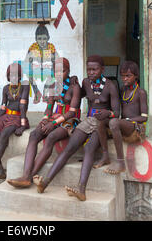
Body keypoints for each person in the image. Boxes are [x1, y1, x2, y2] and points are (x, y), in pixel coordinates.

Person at [33, 55, 120, 200]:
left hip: (102, 123)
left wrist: (108, 113)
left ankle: (81, 190)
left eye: (95, 69)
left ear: (102, 69)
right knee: (70, 148)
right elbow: (76, 93)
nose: (91, 72)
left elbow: (117, 113)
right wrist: (73, 80)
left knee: (89, 148)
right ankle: (45, 183)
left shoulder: (111, 86)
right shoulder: (86, 82)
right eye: (89, 69)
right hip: (87, 121)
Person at [7, 57, 81, 189]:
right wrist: (45, 119)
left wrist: (53, 123)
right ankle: (25, 175)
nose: (58, 74)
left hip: (70, 120)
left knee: (51, 137)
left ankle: (27, 178)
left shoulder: (75, 87)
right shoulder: (53, 85)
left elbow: (72, 112)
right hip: (55, 117)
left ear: (68, 71)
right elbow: (49, 107)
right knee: (34, 135)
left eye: (62, 71)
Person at [0, 63, 30, 184]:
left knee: (4, 135)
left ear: (20, 76)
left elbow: (23, 106)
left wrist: (23, 126)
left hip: (17, 117)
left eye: (16, 75)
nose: (13, 77)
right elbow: (2, 108)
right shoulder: (5, 88)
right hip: (5, 116)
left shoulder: (24, 86)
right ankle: (0, 169)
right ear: (7, 77)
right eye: (10, 75)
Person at [96, 60, 148, 175]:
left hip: (135, 128)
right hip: (124, 125)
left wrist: (127, 120)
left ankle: (120, 162)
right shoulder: (123, 90)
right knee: (100, 121)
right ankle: (105, 155)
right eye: (122, 76)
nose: (124, 79)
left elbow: (144, 118)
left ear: (136, 76)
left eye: (128, 76)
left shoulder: (141, 92)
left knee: (114, 122)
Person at [24, 23, 59, 104]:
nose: (42, 42)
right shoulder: (33, 48)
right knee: (28, 72)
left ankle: (45, 92)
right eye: (39, 39)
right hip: (36, 71)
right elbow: (26, 63)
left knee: (53, 73)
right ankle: (36, 92)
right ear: (36, 39)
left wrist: (52, 63)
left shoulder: (51, 48)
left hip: (48, 71)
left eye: (44, 39)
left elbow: (57, 63)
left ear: (48, 38)